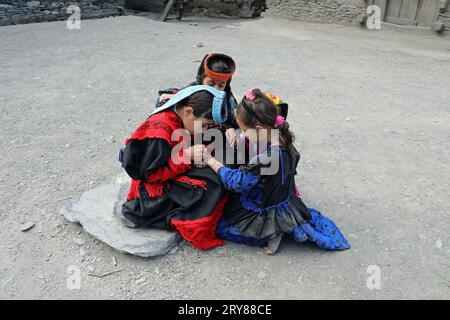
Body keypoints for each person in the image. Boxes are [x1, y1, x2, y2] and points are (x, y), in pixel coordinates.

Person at [197, 88, 350, 255]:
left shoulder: (265, 159)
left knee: (220, 227)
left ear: (259, 128)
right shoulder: (284, 140)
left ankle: (272, 231)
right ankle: (279, 226)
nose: (245, 135)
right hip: (284, 199)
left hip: (266, 207)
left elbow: (237, 182)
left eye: (246, 131)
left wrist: (210, 160)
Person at [118, 85, 230, 250]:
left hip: (169, 172)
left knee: (220, 159)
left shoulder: (178, 116)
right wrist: (187, 156)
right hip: (151, 192)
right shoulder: (159, 131)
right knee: (211, 183)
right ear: (188, 112)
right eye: (205, 124)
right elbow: (151, 174)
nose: (205, 129)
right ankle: (184, 222)